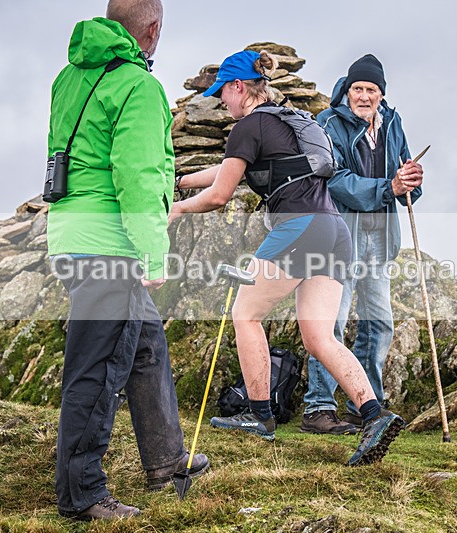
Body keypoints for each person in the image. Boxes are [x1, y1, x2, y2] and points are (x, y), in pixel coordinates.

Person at [171, 49, 405, 466]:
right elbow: (229, 169)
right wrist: (180, 180)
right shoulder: (289, 120)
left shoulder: (248, 126)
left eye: (222, 92)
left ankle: (259, 415)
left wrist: (177, 208)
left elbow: (222, 193)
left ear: (238, 87)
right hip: (335, 231)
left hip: (299, 228)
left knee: (246, 315)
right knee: (319, 337)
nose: (220, 101)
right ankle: (374, 416)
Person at [46, 0, 208, 520]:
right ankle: (82, 494)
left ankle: (165, 461)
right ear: (153, 29)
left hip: (72, 234)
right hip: (110, 243)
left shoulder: (69, 77)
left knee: (143, 346)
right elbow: (138, 176)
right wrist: (152, 253)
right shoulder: (139, 86)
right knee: (96, 369)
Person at [300, 54, 424, 435]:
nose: (365, 96)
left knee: (380, 324)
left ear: (381, 94)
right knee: (330, 323)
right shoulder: (328, 124)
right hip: (340, 235)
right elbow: (333, 179)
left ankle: (366, 405)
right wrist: (390, 187)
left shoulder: (392, 123)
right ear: (348, 89)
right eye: (358, 88)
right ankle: (318, 407)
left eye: (372, 89)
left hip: (381, 236)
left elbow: (403, 184)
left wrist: (411, 182)